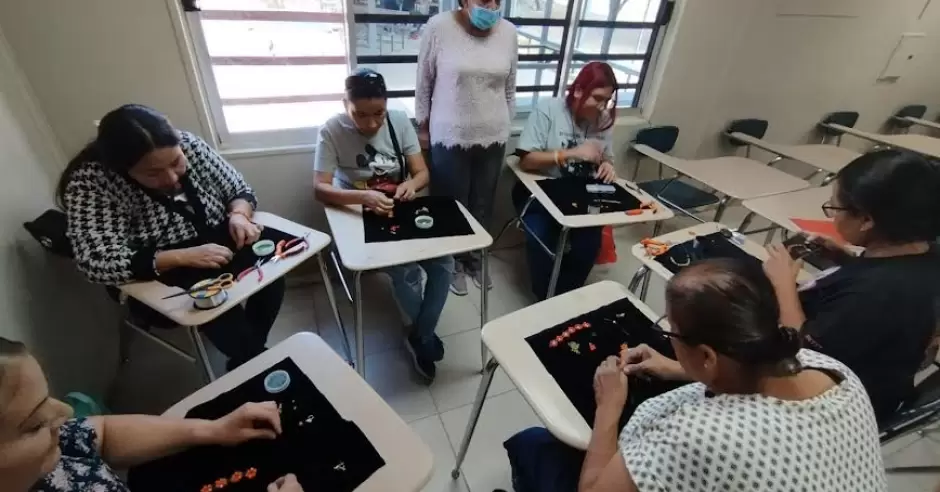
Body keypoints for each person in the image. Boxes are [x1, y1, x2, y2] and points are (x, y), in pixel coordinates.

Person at [504, 259, 887, 492]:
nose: (668, 336)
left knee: (534, 445)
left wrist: (608, 407)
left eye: (672, 332)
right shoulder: (832, 369)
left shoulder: (695, 435)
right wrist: (676, 367)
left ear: (707, 356)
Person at [58, 104, 284, 371]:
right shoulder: (93, 180)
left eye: (176, 162)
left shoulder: (189, 145)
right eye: (153, 173)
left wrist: (239, 215)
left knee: (272, 269)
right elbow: (95, 261)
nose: (172, 178)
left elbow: (239, 190)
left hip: (217, 240)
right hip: (158, 267)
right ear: (122, 168)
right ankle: (256, 362)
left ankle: (250, 355)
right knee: (215, 306)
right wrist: (181, 257)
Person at [762, 149, 940, 425]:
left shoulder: (875, 293)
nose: (832, 216)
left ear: (867, 220)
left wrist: (782, 283)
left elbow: (807, 354)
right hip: (880, 375)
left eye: (835, 208)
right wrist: (845, 259)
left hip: (837, 403)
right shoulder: (927, 252)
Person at [0, 337, 303, 492]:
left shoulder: (51, 449)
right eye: (35, 424)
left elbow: (100, 433)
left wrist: (212, 429)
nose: (65, 413)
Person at [313, 69, 454, 382]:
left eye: (378, 113)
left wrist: (411, 185)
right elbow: (320, 189)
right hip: (358, 211)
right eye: (360, 115)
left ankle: (421, 334)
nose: (371, 124)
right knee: (405, 270)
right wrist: (363, 198)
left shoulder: (398, 121)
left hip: (398, 206)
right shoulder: (331, 130)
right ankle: (424, 339)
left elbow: (422, 172)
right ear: (345, 105)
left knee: (445, 263)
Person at [416, 0, 518, 295]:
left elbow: (510, 87)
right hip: (449, 135)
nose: (491, 5)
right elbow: (424, 83)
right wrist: (423, 129)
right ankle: (451, 263)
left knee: (483, 203)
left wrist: (506, 124)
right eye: (483, 0)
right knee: (452, 203)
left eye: (496, 0)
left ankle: (475, 258)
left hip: (493, 135)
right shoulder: (438, 27)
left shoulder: (509, 32)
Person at [513, 62, 619, 300]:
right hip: (539, 191)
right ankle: (545, 297)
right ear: (579, 90)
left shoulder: (603, 120)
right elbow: (527, 161)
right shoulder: (549, 109)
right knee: (541, 238)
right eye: (597, 98)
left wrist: (607, 165)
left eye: (607, 100)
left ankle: (563, 297)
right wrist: (571, 153)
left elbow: (607, 157)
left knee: (588, 246)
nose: (602, 107)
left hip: (580, 195)